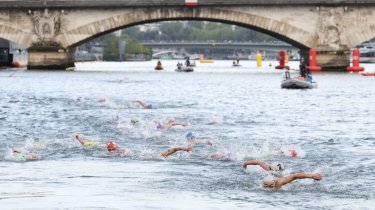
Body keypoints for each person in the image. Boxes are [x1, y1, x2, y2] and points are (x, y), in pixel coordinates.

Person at [242, 160, 322, 189]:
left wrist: (245, 164)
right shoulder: (279, 181)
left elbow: (258, 162)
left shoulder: (268, 170)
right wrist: (311, 176)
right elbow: (295, 176)